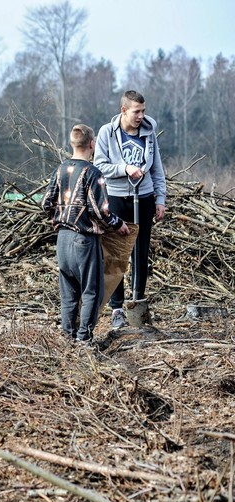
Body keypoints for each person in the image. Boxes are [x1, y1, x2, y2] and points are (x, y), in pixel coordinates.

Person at [42, 124, 130, 343]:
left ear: (72, 144)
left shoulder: (60, 170)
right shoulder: (93, 173)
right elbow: (100, 210)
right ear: (92, 144)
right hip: (84, 240)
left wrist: (62, 216)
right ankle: (84, 339)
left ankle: (67, 338)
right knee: (92, 291)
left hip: (62, 239)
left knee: (69, 293)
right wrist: (117, 223)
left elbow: (45, 203)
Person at [94, 90, 167, 329]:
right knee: (116, 253)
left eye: (144, 111)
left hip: (144, 197)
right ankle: (117, 309)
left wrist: (160, 198)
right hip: (116, 197)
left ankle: (137, 302)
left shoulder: (148, 133)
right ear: (124, 110)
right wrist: (125, 168)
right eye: (137, 111)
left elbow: (156, 168)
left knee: (140, 252)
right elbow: (100, 165)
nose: (141, 116)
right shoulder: (107, 132)